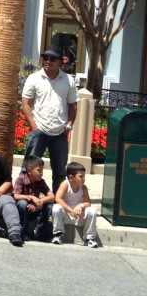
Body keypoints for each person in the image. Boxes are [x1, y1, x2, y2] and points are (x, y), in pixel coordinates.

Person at [21, 46, 78, 191]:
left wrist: (69, 125)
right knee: (28, 168)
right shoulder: (34, 78)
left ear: (60, 61)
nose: (48, 61)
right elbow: (26, 103)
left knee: (60, 173)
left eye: (52, 59)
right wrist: (34, 126)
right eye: (45, 58)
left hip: (60, 133)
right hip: (39, 130)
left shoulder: (68, 80)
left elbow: (73, 106)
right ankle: (24, 198)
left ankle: (57, 204)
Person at [52, 162, 99, 247]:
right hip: (66, 215)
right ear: (71, 177)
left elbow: (88, 203)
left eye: (84, 176)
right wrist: (71, 210)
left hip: (78, 217)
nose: (83, 179)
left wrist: (81, 206)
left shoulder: (83, 188)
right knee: (56, 208)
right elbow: (58, 199)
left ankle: (90, 238)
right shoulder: (65, 184)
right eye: (81, 176)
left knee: (92, 211)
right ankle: (59, 234)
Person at [13, 154, 55, 241]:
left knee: (49, 205)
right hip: (23, 210)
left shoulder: (41, 182)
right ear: (29, 170)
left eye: (42, 170)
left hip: (34, 209)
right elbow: (16, 195)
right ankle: (24, 232)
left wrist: (39, 202)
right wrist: (31, 198)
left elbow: (51, 196)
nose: (41, 173)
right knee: (22, 203)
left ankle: (40, 231)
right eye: (39, 170)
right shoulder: (20, 180)